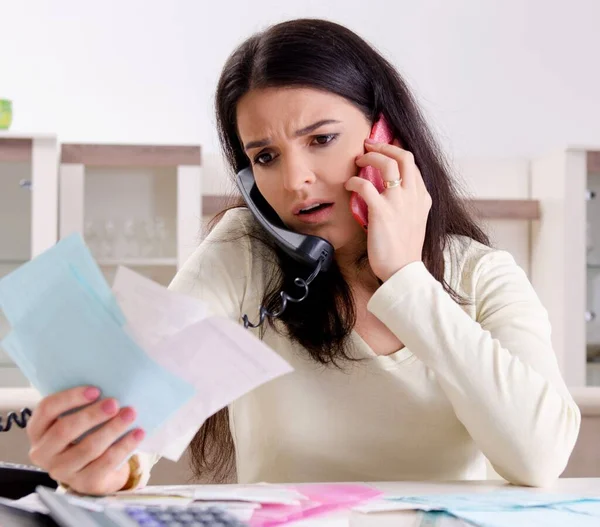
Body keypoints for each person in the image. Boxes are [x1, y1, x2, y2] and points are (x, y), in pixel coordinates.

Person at [27, 18, 580, 496]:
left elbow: (539, 457)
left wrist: (408, 278)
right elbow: (143, 399)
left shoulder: (479, 273)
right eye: (265, 156)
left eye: (320, 139)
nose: (295, 181)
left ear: (384, 135)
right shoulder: (242, 255)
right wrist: (106, 463)